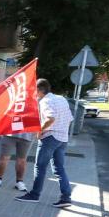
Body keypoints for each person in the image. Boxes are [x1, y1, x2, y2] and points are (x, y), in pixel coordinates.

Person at [15, 79, 74, 207]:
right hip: (62, 138)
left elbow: (50, 118)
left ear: (39, 90)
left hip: (50, 137)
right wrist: (61, 129)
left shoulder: (45, 101)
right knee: (59, 168)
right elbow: (70, 119)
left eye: (34, 91)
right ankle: (66, 197)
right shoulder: (61, 99)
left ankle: (34, 195)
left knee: (40, 167)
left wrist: (40, 130)